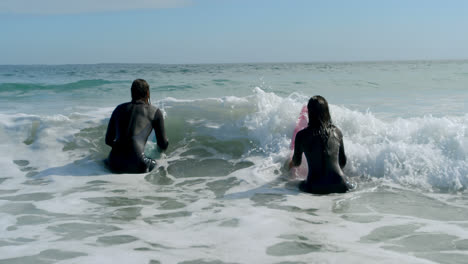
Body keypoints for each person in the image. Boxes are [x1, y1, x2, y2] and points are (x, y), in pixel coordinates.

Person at [289, 95, 352, 194]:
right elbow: (342, 162)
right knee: (353, 184)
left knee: (291, 185)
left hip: (313, 187)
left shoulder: (301, 135)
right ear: (327, 112)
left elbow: (297, 162)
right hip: (340, 185)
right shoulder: (337, 132)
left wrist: (288, 165)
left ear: (309, 113)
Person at [105, 79, 168, 173]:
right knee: (163, 166)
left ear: (131, 93)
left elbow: (108, 140)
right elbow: (162, 145)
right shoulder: (154, 111)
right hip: (138, 164)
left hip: (114, 162)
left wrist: (124, 150)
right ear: (148, 93)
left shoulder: (118, 109)